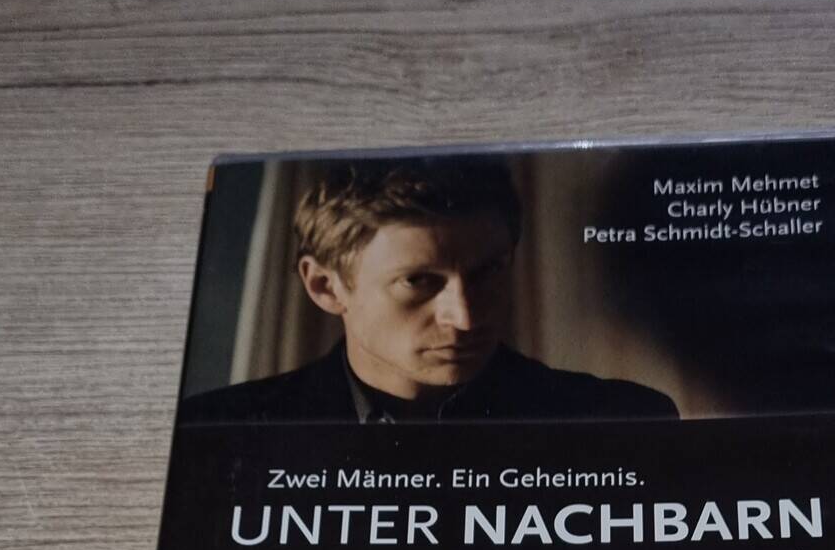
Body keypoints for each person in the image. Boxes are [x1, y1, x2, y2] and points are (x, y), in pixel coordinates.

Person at [181, 157, 678, 423]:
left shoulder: (619, 420)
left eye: (488, 271)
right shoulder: (218, 429)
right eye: (418, 281)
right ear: (325, 286)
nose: (465, 317)